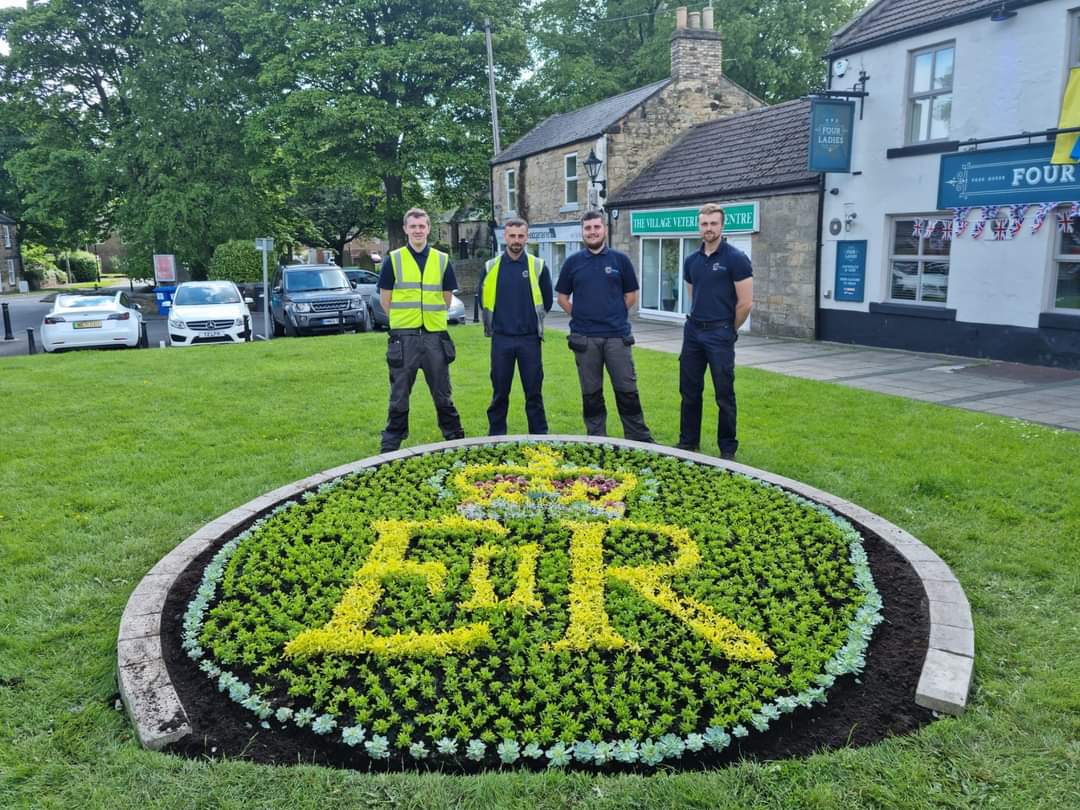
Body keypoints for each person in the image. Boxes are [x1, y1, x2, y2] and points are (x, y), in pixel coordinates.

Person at [555, 210, 653, 442]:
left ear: (604, 230)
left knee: (627, 390)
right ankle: (597, 438)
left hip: (617, 337)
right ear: (583, 232)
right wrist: (580, 316)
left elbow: (631, 295)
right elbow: (562, 298)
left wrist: (615, 314)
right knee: (591, 394)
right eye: (588, 229)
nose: (592, 232)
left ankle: (638, 438)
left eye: (596, 227)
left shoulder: (620, 260)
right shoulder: (573, 263)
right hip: (585, 339)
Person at [377, 207, 465, 452]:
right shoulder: (393, 259)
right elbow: (386, 300)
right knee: (399, 393)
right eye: (413, 226)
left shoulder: (442, 259)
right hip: (404, 338)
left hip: (435, 337)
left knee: (442, 392)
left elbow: (446, 299)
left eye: (422, 226)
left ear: (429, 229)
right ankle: (391, 443)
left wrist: (432, 319)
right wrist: (405, 320)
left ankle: (455, 438)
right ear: (406, 229)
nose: (418, 230)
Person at [678, 203, 753, 460]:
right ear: (699, 226)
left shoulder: (736, 259)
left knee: (724, 395)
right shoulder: (691, 261)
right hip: (693, 333)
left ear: (722, 226)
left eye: (713, 224)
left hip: (720, 334)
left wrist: (728, 330)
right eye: (704, 224)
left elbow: (745, 303)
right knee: (689, 391)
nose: (708, 228)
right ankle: (688, 443)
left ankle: (727, 448)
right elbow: (693, 294)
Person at [479, 217, 553, 435]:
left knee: (533, 393)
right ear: (505, 237)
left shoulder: (538, 267)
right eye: (512, 236)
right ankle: (496, 437)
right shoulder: (491, 267)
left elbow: (546, 301)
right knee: (500, 393)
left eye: (521, 236)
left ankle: (540, 438)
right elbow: (483, 299)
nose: (516, 240)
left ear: (527, 237)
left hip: (529, 340)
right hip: (501, 339)